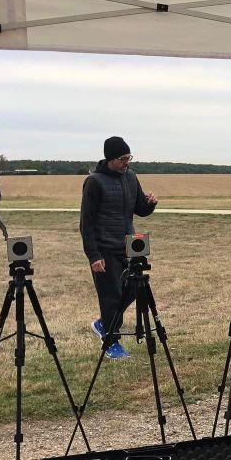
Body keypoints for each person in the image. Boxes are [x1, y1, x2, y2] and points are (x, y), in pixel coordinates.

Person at [80, 136, 158, 359]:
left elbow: (139, 209)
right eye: (122, 159)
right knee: (111, 296)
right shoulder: (94, 182)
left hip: (129, 247)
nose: (126, 163)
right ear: (110, 159)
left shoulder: (131, 177)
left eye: (128, 158)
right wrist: (93, 255)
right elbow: (86, 222)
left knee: (135, 288)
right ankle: (111, 343)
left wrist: (150, 204)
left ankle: (103, 323)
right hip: (105, 248)